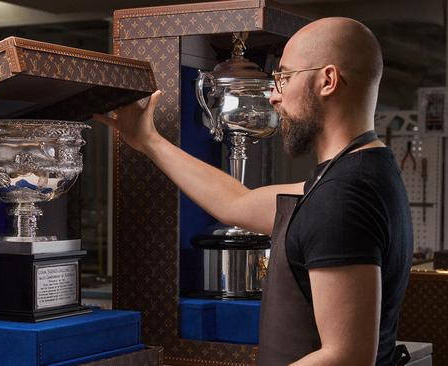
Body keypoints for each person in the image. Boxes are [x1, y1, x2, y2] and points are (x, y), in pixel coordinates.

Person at [94, 17, 412, 366]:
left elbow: (347, 357)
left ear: (327, 80)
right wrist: (148, 141)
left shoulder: (343, 197)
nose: (275, 96)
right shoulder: (360, 173)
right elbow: (237, 202)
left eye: (284, 78)